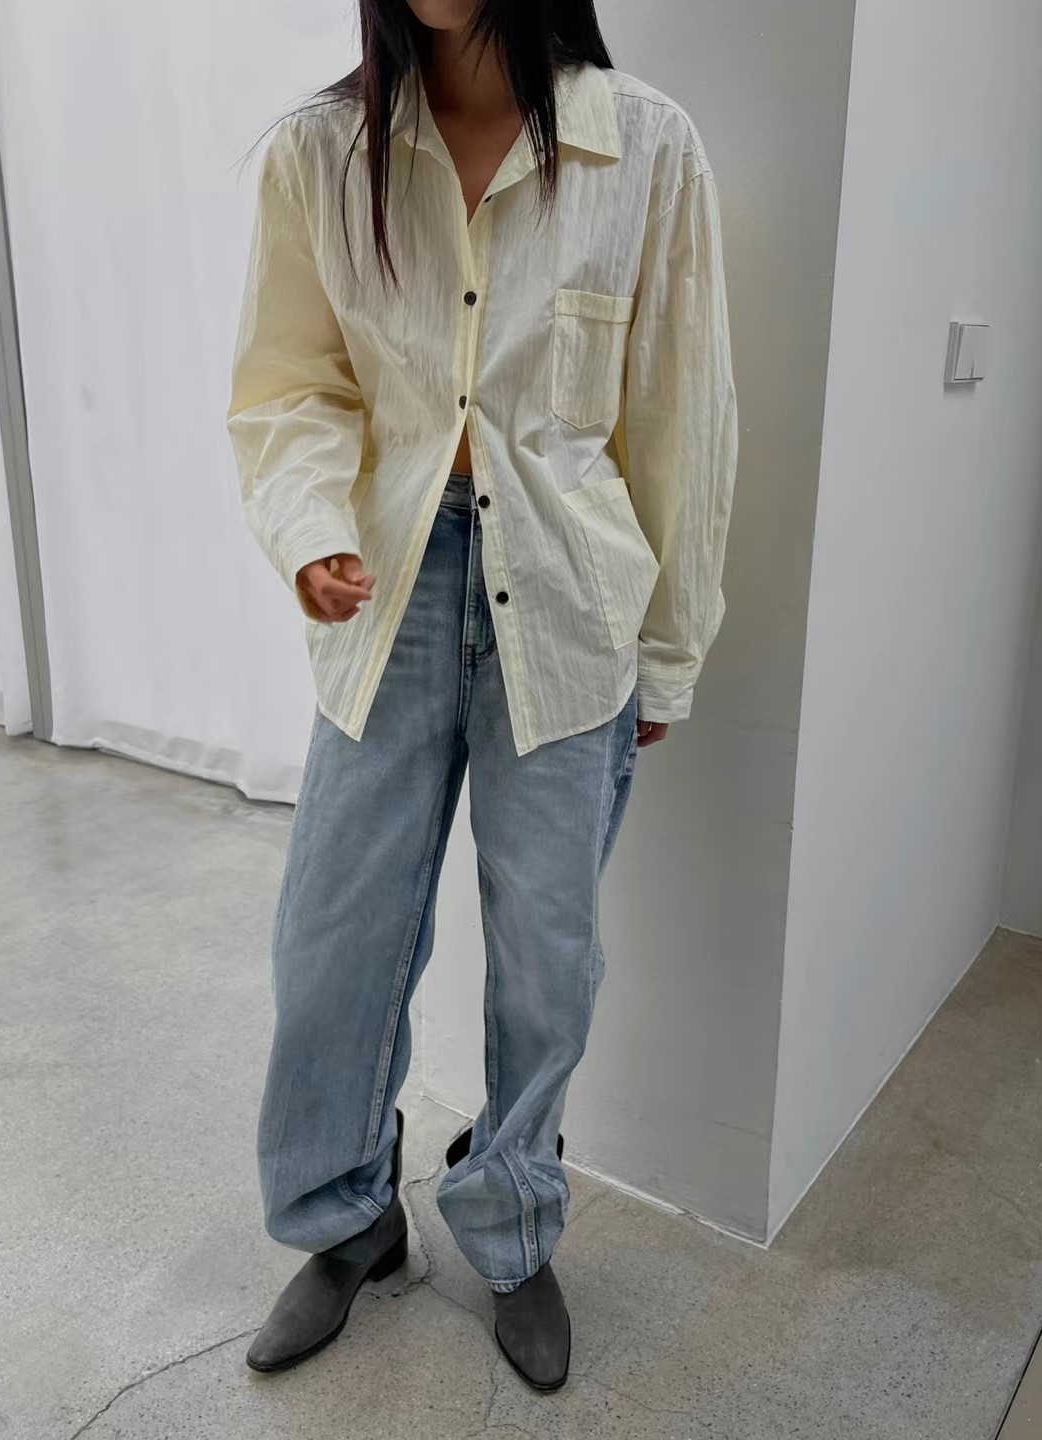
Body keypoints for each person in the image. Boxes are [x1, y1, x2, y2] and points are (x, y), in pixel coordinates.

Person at [226, 0, 737, 1394]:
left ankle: (512, 1226)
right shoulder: (321, 153)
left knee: (546, 957)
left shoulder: (646, 149)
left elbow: (680, 415)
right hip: (384, 590)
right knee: (332, 942)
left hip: (568, 606)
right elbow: (288, 388)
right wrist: (308, 526)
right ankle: (346, 1219)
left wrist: (671, 650)